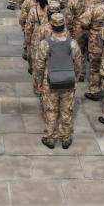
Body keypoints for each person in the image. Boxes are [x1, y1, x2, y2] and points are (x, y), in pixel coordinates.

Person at [33, 13, 83, 150]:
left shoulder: (45, 44)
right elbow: (79, 64)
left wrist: (38, 81)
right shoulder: (72, 43)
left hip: (50, 81)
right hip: (68, 81)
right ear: (64, 25)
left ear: (51, 26)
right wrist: (75, 77)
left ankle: (50, 138)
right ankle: (66, 138)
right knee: (66, 110)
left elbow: (39, 65)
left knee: (51, 110)